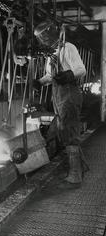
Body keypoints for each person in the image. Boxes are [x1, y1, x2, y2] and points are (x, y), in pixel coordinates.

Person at [33, 20, 86, 188]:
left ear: (49, 34)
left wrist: (68, 75)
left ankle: (75, 176)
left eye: (43, 37)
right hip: (58, 95)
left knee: (69, 131)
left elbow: (81, 70)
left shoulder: (68, 48)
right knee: (64, 130)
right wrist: (39, 82)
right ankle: (81, 167)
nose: (42, 41)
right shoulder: (52, 54)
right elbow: (50, 76)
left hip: (69, 93)